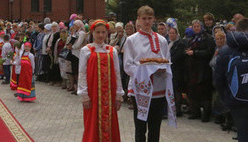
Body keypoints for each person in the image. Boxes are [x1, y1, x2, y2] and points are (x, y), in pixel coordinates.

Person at [124, 7, 174, 142]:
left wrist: (163, 69)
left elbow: (167, 61)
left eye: (149, 18)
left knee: (155, 127)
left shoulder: (162, 40)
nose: (147, 21)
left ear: (154, 20)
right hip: (140, 89)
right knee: (140, 127)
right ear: (138, 20)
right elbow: (128, 66)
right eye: (144, 18)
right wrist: (146, 71)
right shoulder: (131, 40)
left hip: (159, 89)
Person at [80, 19, 124, 142]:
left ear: (107, 33)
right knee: (92, 122)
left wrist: (118, 95)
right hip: (93, 95)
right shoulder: (86, 50)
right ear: (93, 33)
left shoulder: (112, 51)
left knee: (110, 123)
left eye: (103, 32)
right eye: (98, 32)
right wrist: (84, 95)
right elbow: (82, 73)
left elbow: (117, 73)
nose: (100, 35)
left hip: (109, 95)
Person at [185, 19, 215, 122]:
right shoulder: (191, 39)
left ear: (201, 27)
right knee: (193, 91)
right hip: (193, 69)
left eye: (198, 26)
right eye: (194, 27)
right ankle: (195, 112)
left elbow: (209, 52)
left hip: (204, 69)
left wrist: (195, 52)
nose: (196, 28)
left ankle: (206, 115)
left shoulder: (208, 38)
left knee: (204, 93)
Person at [168, 26, 187, 116]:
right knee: (173, 90)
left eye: (173, 33)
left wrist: (168, 61)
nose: (171, 35)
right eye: (170, 33)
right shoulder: (169, 43)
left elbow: (178, 56)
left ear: (177, 34)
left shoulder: (180, 44)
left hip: (177, 69)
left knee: (177, 90)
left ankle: (177, 110)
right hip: (170, 69)